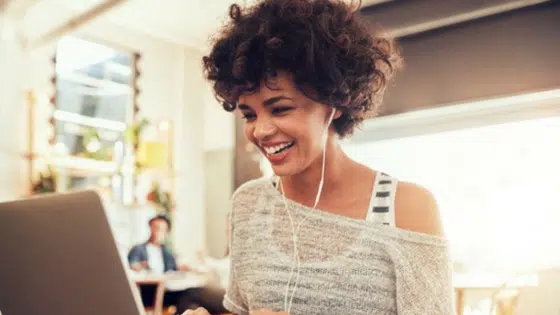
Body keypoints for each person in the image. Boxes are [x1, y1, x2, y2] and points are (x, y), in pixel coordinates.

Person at [187, 0, 455, 314]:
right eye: (248, 114)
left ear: (335, 101)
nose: (260, 130)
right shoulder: (248, 205)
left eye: (280, 108)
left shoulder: (406, 209)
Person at [128, 215, 228, 315]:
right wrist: (140, 266)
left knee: (188, 301)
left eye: (162, 229)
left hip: (168, 291)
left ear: (166, 232)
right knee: (192, 294)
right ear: (150, 228)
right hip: (149, 293)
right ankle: (229, 304)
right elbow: (132, 266)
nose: (158, 232)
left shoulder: (166, 252)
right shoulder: (138, 249)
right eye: (156, 228)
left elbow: (174, 268)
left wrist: (187, 268)